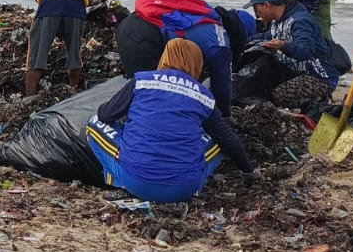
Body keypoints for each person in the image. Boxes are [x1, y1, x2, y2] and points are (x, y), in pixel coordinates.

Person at [84, 39, 257, 203]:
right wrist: (248, 171)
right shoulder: (203, 97)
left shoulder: (142, 81)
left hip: (136, 182)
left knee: (94, 124)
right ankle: (194, 186)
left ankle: (118, 182)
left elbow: (105, 116)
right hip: (184, 190)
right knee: (218, 137)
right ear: (197, 63)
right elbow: (230, 140)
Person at [116, 0, 250, 118]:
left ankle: (123, 116)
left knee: (138, 87)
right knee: (151, 95)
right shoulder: (220, 40)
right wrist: (225, 115)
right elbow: (222, 84)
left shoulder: (210, 15)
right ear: (240, 34)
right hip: (143, 38)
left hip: (129, 25)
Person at [242, 0, 341, 109]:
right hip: (294, 72)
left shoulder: (300, 21)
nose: (256, 13)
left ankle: (319, 99)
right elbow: (267, 35)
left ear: (267, 5)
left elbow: (305, 51)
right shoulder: (277, 20)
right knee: (260, 86)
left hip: (319, 77)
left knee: (279, 96)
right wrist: (244, 41)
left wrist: (283, 45)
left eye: (256, 8)